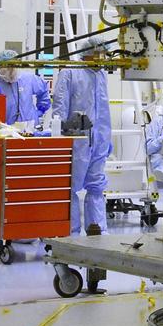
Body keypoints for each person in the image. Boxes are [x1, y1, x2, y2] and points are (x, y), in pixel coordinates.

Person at [51, 42, 112, 236]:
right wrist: (61, 136)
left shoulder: (101, 74)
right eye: (100, 54)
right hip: (76, 140)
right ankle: (69, 231)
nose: (103, 59)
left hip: (99, 139)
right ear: (89, 53)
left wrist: (105, 139)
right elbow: (60, 108)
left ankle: (97, 229)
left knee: (96, 184)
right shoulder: (70, 73)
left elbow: (102, 110)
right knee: (70, 185)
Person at [0, 49, 50, 127]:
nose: (10, 72)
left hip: (30, 128)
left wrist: (40, 110)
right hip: (7, 131)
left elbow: (43, 90)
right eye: (7, 68)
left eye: (13, 68)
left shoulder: (28, 79)